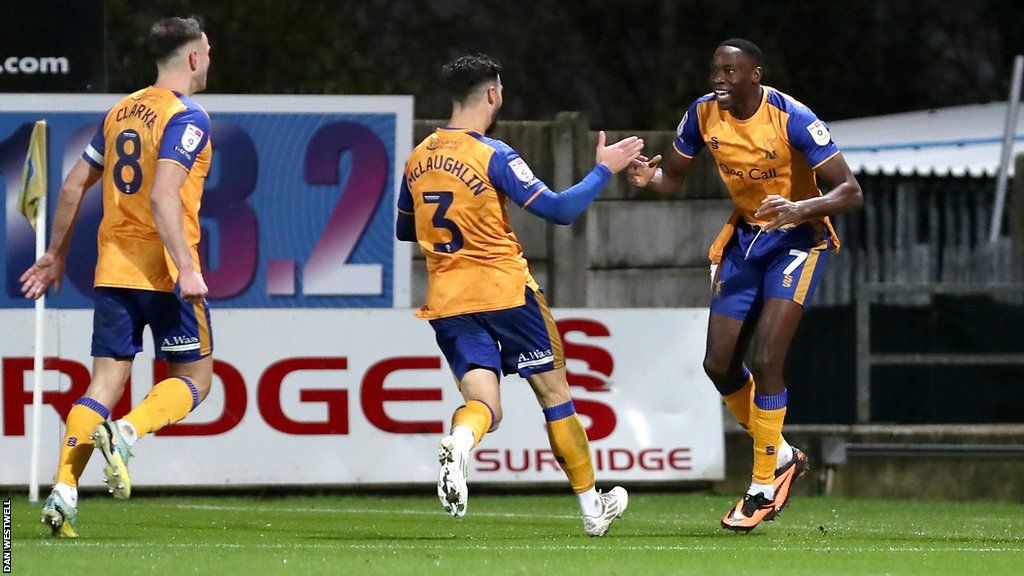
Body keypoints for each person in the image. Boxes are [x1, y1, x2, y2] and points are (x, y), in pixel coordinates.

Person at [397, 54, 643, 536]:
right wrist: (603, 170)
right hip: (507, 292)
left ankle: (461, 443)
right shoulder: (494, 154)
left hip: (449, 302)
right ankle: (593, 507)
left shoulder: (418, 156)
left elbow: (407, 230)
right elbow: (559, 209)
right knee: (555, 395)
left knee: (484, 400)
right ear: (491, 93)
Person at [628, 38, 862, 532]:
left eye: (730, 72)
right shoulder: (701, 114)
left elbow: (850, 190)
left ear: (755, 75)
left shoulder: (792, 116)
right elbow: (672, 179)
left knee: (766, 360)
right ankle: (781, 454)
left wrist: (800, 208)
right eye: (714, 70)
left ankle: (761, 487)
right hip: (746, 240)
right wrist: (648, 179)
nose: (719, 79)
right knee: (718, 364)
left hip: (797, 238)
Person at [23, 16, 214, 537]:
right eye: (208, 50)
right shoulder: (188, 116)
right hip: (167, 271)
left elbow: (69, 188)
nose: (210, 59)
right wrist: (189, 270)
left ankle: (63, 491)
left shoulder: (120, 112)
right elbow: (162, 195)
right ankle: (126, 434)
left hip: (113, 270)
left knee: (103, 384)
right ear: (194, 57)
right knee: (196, 380)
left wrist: (56, 254)